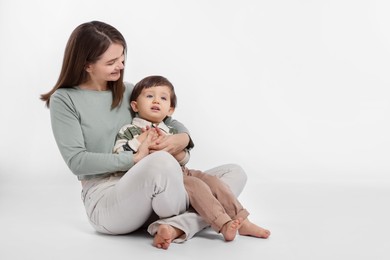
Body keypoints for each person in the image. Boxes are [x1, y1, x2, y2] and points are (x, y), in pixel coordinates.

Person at [40, 21, 249, 250]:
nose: (120, 66)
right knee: (160, 161)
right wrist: (134, 159)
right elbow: (77, 162)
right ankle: (202, 218)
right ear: (86, 65)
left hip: (159, 192)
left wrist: (184, 139)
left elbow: (171, 122)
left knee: (234, 172)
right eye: (111, 62)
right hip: (108, 198)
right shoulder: (65, 99)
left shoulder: (128, 90)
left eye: (122, 59)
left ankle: (174, 226)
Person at [113, 75, 271, 242]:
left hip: (184, 171)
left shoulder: (171, 131)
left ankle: (243, 220)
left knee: (214, 182)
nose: (156, 101)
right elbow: (120, 155)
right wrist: (140, 140)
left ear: (170, 110)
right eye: (150, 96)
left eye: (163, 98)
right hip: (167, 179)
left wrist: (175, 149)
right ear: (135, 105)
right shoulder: (129, 130)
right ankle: (223, 224)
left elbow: (184, 158)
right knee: (197, 186)